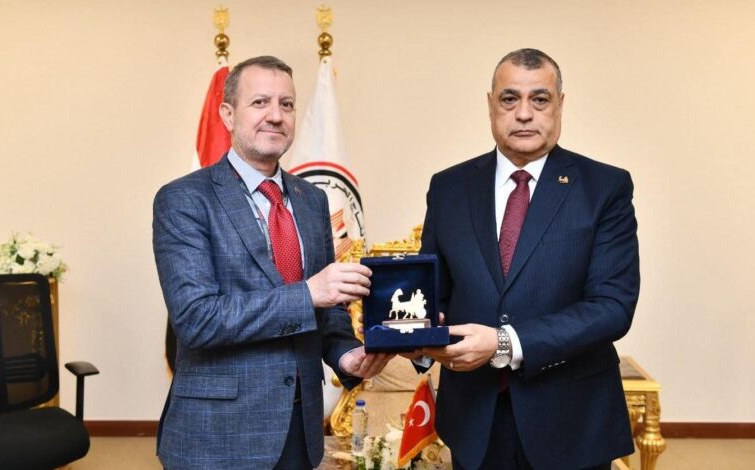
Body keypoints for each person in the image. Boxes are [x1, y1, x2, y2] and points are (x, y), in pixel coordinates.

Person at [152, 55, 394, 469]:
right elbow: (196, 319)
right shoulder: (184, 199)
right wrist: (309, 293)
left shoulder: (312, 200)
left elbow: (328, 309)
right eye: (260, 102)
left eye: (287, 104)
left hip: (299, 428)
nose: (276, 116)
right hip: (216, 435)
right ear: (228, 114)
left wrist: (345, 356)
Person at [417, 48, 639, 469]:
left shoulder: (604, 187)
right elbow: (433, 296)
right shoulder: (448, 188)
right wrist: (418, 342)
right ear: (490, 105)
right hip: (474, 420)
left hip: (571, 422)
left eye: (539, 99)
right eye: (509, 99)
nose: (523, 114)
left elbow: (612, 307)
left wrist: (505, 343)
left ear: (560, 105)